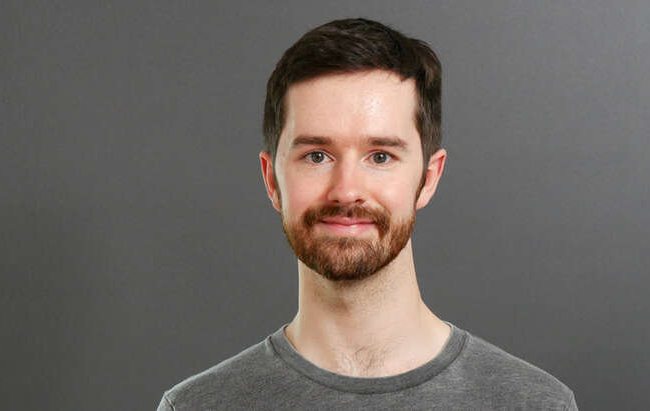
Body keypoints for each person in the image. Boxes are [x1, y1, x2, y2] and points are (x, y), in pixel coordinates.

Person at [157, 18, 578, 410]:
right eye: (316, 155)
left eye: (380, 156)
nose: (346, 190)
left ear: (428, 178)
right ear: (272, 180)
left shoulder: (535, 405)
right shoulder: (195, 407)